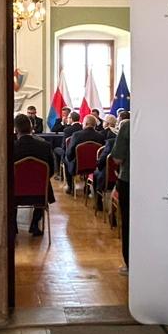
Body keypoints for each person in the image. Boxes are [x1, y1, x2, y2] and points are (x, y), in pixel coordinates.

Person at [11, 113, 57, 235]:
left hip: (15, 194)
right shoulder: (45, 146)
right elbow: (51, 170)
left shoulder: (10, 148)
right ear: (31, 128)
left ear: (15, 130)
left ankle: (13, 226)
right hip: (40, 194)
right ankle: (35, 224)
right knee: (44, 183)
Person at [110, 107, 131, 273]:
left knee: (128, 222)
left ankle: (130, 263)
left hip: (130, 180)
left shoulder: (127, 126)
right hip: (158, 181)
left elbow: (116, 158)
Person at [63, 114, 107, 194]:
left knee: (66, 160)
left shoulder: (76, 135)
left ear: (85, 123)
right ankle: (87, 188)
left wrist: (69, 158)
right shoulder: (101, 136)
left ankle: (70, 187)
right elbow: (102, 153)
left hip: (78, 166)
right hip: (95, 166)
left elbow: (69, 154)